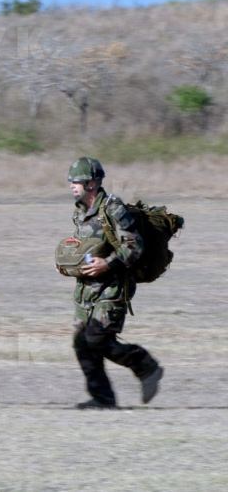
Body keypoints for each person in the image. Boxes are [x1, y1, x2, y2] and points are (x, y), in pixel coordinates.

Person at [60, 157, 164, 409]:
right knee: (81, 342)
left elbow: (134, 246)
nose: (73, 185)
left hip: (113, 289)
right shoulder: (80, 210)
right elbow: (84, 247)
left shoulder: (113, 209)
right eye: (72, 181)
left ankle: (145, 366)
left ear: (93, 183)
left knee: (96, 338)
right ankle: (102, 398)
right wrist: (66, 262)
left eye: (78, 181)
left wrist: (107, 264)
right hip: (86, 289)